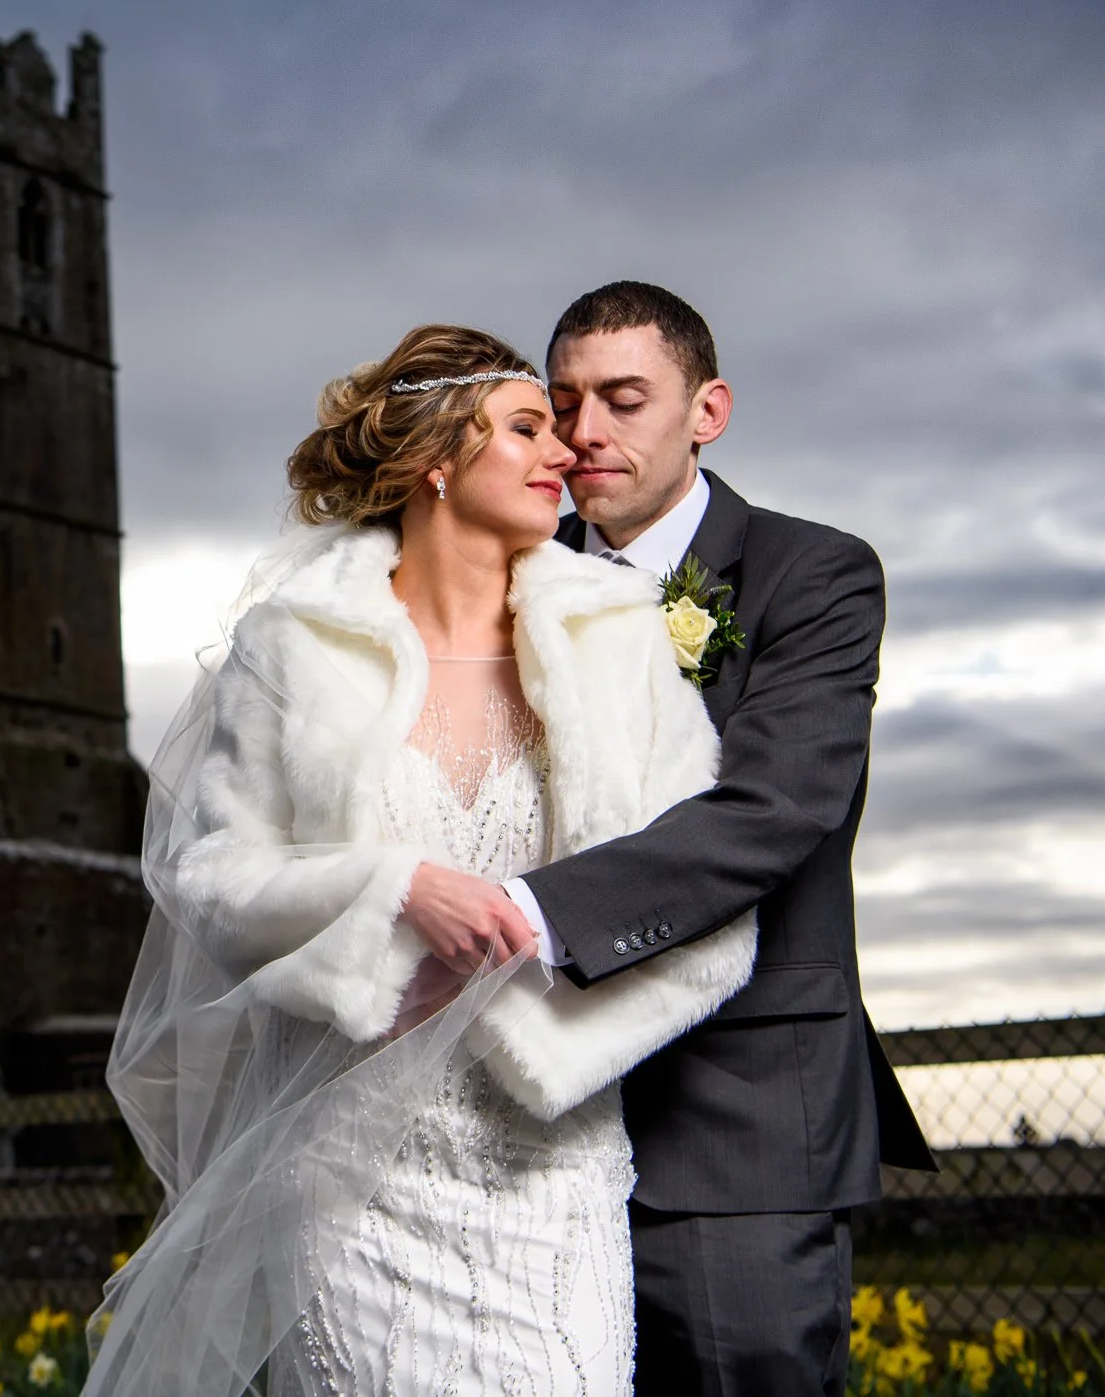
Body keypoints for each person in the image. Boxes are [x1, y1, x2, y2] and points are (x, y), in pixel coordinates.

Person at [92, 325, 762, 1397]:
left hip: (550, 1163)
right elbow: (208, 875)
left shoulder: (618, 641)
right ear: (435, 463)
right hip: (347, 1174)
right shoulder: (296, 645)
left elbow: (703, 912)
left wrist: (528, 1036)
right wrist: (386, 892)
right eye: (528, 427)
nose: (565, 453)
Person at [418, 282, 936, 1394]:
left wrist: (528, 915)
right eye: (560, 403)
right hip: (513, 1118)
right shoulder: (494, 580)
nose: (585, 432)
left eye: (623, 398)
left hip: (732, 1114)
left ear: (707, 411)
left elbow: (774, 813)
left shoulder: (813, 574)